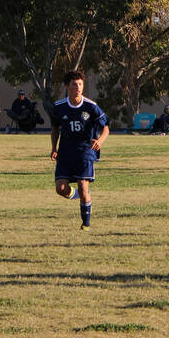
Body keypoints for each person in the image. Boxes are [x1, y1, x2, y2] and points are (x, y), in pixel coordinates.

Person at [50, 70, 110, 230]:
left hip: (85, 151)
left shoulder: (91, 107)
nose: (78, 87)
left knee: (84, 186)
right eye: (75, 84)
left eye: (80, 84)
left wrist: (100, 141)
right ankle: (77, 195)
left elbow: (106, 127)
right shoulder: (59, 107)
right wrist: (53, 148)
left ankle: (86, 224)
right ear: (67, 86)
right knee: (60, 189)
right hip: (65, 153)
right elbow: (55, 128)